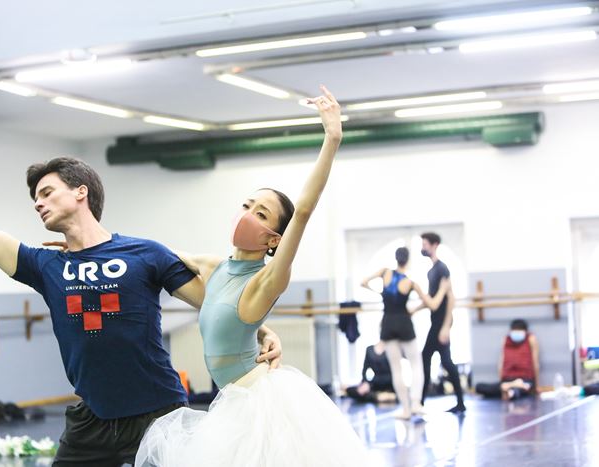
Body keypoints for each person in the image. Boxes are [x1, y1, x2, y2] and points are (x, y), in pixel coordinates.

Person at [0, 132, 283, 466]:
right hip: (91, 420)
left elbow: (216, 307)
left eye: (47, 192)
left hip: (157, 414)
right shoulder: (45, 265)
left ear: (80, 192)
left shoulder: (145, 254)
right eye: (35, 198)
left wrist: (263, 331)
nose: (38, 203)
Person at [134, 85, 368, 467]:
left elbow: (303, 210)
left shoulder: (268, 279)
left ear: (274, 238)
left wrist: (332, 138)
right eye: (247, 205)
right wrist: (87, 243)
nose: (247, 215)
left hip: (258, 403)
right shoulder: (213, 267)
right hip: (228, 402)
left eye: (260, 214)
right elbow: (151, 253)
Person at [361, 246, 450, 419]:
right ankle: (416, 403)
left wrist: (381, 293)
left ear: (396, 259)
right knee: (416, 364)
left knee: (396, 369)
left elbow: (363, 282)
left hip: (388, 324)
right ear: (407, 261)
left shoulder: (384, 272)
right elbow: (433, 304)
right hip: (404, 323)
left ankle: (406, 409)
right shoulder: (410, 283)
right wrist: (442, 290)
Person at [415, 232, 466, 413]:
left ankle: (421, 402)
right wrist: (413, 310)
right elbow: (430, 299)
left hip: (441, 324)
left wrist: (446, 327)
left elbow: (450, 298)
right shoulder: (431, 271)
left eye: (425, 244)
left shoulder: (442, 269)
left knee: (436, 360)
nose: (423, 247)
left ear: (434, 245)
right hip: (435, 322)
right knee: (442, 361)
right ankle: (456, 402)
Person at [476, 319, 540, 400]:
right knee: (479, 387)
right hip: (507, 380)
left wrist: (536, 385)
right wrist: (502, 382)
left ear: (525, 331)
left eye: (519, 330)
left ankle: (510, 390)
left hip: (525, 379)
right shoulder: (506, 339)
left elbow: (535, 362)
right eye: (515, 330)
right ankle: (511, 387)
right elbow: (501, 362)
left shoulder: (531, 338)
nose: (517, 332)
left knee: (523, 388)